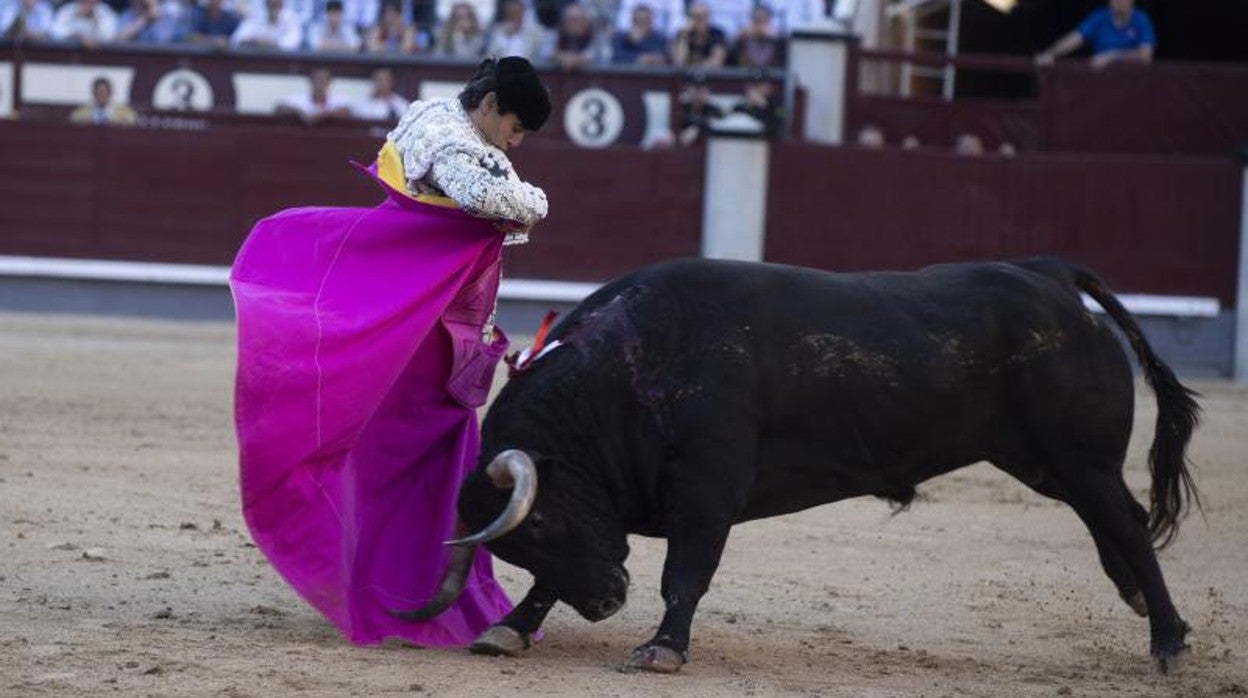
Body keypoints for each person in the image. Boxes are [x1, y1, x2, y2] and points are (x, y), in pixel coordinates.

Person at [230, 56, 551, 649]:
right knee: (420, 456)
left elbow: (510, 200)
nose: (516, 140)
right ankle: (404, 589)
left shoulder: (437, 117)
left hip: (426, 323)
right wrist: (530, 197)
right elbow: (496, 199)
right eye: (514, 126)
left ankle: (394, 580)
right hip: (424, 332)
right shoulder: (451, 141)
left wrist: (520, 192)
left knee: (413, 454)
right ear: (488, 106)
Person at [1036, 0, 1155, 69]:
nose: (1116, 2)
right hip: (1101, 82)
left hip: (1132, 84)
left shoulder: (1141, 19)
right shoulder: (1100, 17)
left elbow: (1145, 56)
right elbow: (1075, 39)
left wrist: (1112, 56)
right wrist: (1050, 53)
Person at [274, 67, 352, 124]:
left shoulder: (337, 100)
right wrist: (300, 113)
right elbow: (280, 108)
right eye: (317, 78)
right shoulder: (297, 99)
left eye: (324, 79)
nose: (320, 82)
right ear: (311, 80)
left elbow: (346, 112)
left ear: (329, 82)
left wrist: (322, 115)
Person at [543, 2, 604, 69]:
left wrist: (576, 59)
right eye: (572, 20)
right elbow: (545, 51)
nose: (575, 25)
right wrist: (562, 57)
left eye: (579, 20)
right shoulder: (557, 32)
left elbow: (594, 53)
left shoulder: (593, 33)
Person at [483, 0, 548, 60]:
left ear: (523, 11)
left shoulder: (537, 31)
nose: (514, 16)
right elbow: (490, 56)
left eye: (517, 13)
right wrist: (504, 37)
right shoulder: (498, 30)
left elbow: (543, 54)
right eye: (511, 13)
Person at [671, 2, 727, 68]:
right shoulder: (683, 34)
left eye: (703, 17)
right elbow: (679, 61)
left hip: (712, 76)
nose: (699, 20)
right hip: (687, 77)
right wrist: (684, 35)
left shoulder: (718, 34)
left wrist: (694, 69)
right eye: (695, 17)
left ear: (709, 18)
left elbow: (716, 63)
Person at [230, 0, 302, 50]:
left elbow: (294, 43)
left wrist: (271, 43)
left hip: (282, 63)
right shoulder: (256, 16)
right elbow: (237, 39)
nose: (273, 4)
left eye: (276, 4)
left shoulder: (291, 18)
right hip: (257, 60)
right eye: (270, 2)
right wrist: (255, 42)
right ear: (265, 3)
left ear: (282, 3)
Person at [69, 76, 138, 125]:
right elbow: (73, 120)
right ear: (93, 93)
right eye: (98, 93)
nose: (101, 96)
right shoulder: (80, 114)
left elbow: (133, 121)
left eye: (104, 93)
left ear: (110, 93)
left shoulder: (126, 113)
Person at [117, 0, 190, 43]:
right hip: (136, 60)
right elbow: (119, 39)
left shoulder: (167, 14)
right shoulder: (128, 15)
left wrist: (154, 15)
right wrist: (145, 19)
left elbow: (164, 41)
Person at [50, 0, 118, 46]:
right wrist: (74, 34)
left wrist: (96, 21)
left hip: (98, 57)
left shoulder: (105, 12)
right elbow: (55, 33)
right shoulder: (68, 10)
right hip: (68, 55)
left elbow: (109, 36)